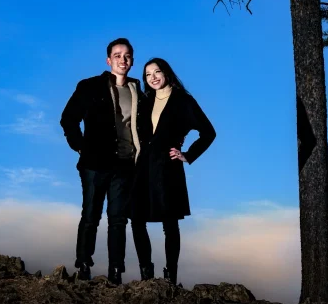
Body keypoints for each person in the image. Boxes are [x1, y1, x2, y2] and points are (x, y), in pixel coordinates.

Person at [60, 38, 143, 285]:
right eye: (117, 55)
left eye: (127, 55)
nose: (122, 59)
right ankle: (84, 264)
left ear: (132, 61)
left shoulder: (138, 91)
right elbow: (68, 118)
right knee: (91, 216)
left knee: (118, 219)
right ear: (109, 60)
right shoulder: (89, 86)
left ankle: (116, 270)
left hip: (125, 164)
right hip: (94, 163)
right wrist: (81, 146)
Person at [131, 57, 216, 285]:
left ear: (166, 73)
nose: (153, 77)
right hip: (142, 167)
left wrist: (187, 155)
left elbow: (208, 132)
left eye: (157, 72)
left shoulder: (183, 101)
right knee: (136, 219)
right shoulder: (145, 101)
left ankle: (170, 276)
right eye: (148, 74)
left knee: (170, 223)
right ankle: (146, 274)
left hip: (168, 168)